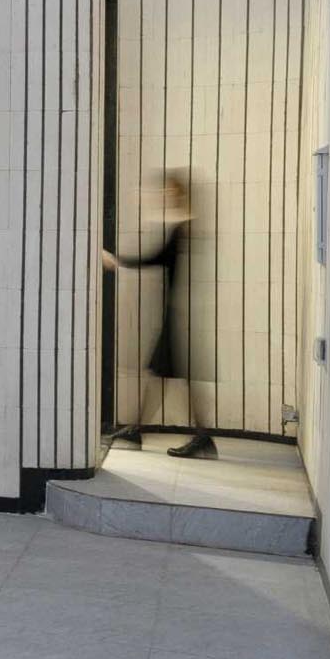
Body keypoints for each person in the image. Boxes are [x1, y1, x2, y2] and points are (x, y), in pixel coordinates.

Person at [102, 169, 216, 458]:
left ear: (181, 193)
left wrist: (117, 262)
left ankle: (200, 437)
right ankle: (141, 429)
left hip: (176, 315)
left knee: (168, 374)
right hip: (176, 313)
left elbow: (156, 258)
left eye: (170, 191)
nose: (166, 195)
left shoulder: (184, 227)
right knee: (158, 373)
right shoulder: (185, 227)